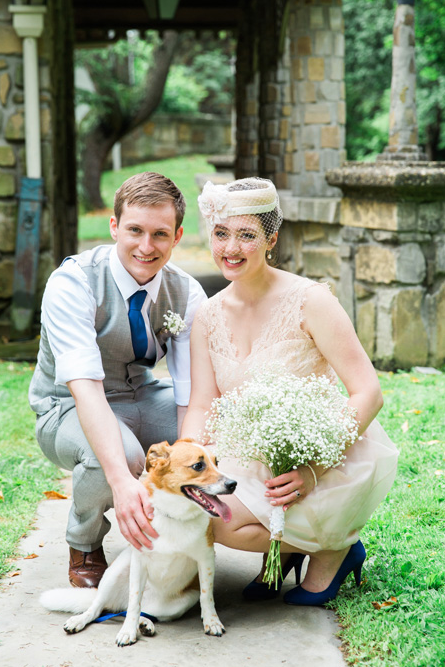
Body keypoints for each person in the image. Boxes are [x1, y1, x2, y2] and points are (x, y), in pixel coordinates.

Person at [180, 177, 398, 606]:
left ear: (271, 239)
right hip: (244, 452)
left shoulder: (310, 300)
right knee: (198, 514)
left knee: (219, 523)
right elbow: (203, 403)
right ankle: (305, 547)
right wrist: (187, 461)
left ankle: (335, 546)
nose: (231, 248)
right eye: (222, 234)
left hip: (318, 454)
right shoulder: (206, 315)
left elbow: (368, 392)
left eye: (247, 235)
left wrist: (311, 469)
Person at [29, 172, 206, 588]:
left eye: (160, 234)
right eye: (134, 231)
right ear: (114, 227)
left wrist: (188, 460)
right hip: (67, 404)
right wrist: (123, 483)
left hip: (142, 394)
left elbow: (191, 391)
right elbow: (84, 387)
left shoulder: (187, 293)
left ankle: (181, 543)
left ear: (177, 236)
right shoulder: (73, 282)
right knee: (117, 457)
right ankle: (85, 544)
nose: (146, 247)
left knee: (219, 432)